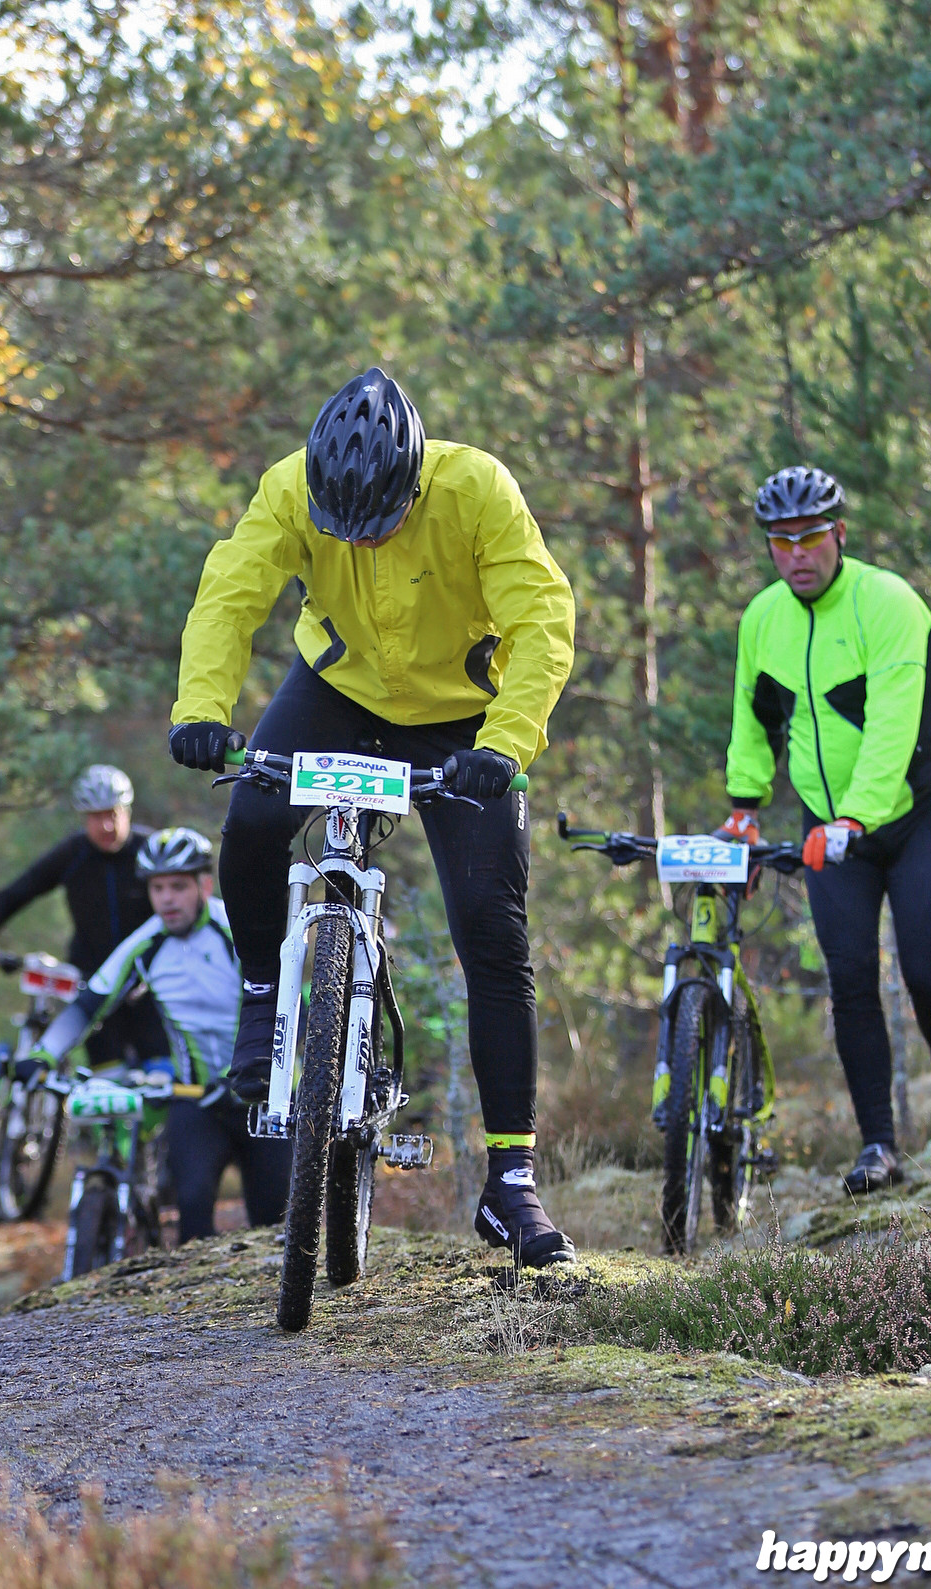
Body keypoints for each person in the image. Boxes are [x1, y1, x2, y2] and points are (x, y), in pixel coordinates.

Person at [167, 366, 578, 1266]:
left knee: (492, 931)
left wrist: (506, 745)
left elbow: (542, 621)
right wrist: (200, 710)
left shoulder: (476, 488)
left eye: (380, 520)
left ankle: (512, 1182)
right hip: (339, 689)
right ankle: (262, 995)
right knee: (252, 818)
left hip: (462, 717)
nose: (360, 538)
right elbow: (230, 594)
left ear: (414, 481)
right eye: (341, 525)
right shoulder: (289, 488)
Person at [715, 466, 931, 1196]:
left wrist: (855, 818)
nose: (796, 555)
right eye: (781, 542)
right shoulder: (763, 619)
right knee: (851, 978)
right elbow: (752, 720)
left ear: (839, 533)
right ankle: (878, 1147)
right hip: (826, 824)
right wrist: (744, 806)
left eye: (810, 538)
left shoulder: (889, 603)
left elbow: (894, 723)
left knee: (928, 971)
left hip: (915, 811)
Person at [31, 827, 291, 1242]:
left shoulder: (236, 929)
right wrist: (42, 1054)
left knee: (273, 1218)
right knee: (191, 1207)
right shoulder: (146, 943)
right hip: (195, 1097)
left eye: (178, 887)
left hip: (265, 1097)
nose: (167, 899)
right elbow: (88, 1004)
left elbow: (292, 1003)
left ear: (204, 885)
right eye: (157, 888)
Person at [0, 764, 166, 1066]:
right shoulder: (74, 853)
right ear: (83, 817)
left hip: (149, 984)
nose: (106, 826)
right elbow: (16, 892)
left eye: (112, 814)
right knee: (106, 1076)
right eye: (96, 817)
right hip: (93, 984)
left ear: (127, 811)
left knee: (159, 1073)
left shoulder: (151, 850)